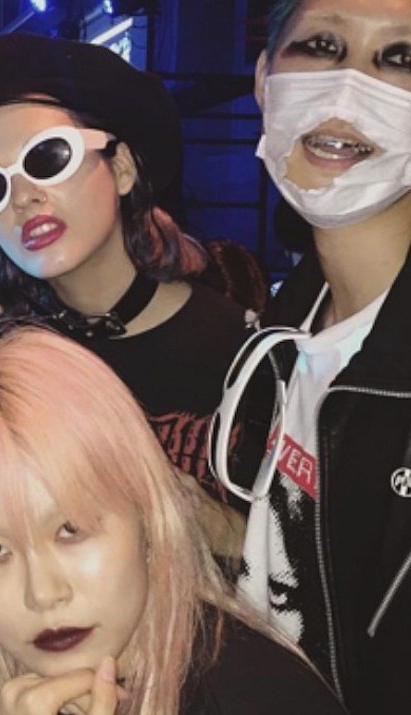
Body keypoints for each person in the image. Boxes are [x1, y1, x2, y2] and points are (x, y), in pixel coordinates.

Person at [0, 327, 347, 715]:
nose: (43, 594)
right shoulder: (30, 692)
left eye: (70, 530)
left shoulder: (254, 693)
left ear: (147, 516)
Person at [0, 34, 251, 503]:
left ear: (121, 169)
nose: (23, 197)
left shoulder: (241, 351)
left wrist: (214, 526)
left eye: (47, 158)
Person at [207, 1, 411, 712]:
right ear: (264, 80)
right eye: (321, 47)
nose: (348, 88)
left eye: (400, 59)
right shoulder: (281, 334)